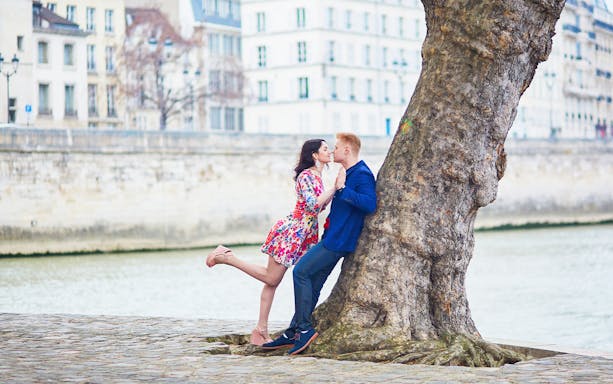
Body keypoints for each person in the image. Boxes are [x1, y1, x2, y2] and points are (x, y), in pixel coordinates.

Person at [205, 139, 343, 345]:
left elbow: (318, 207)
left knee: (273, 282)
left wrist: (333, 190)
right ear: (315, 155)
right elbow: (313, 206)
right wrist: (335, 188)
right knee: (271, 279)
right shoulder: (306, 176)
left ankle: (261, 329)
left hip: (304, 235)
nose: (330, 151)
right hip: (292, 232)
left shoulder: (317, 176)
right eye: (325, 149)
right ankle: (227, 257)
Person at [262, 132, 377, 355]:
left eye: (336, 147)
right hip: (331, 236)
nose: (333, 151)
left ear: (347, 150)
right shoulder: (348, 172)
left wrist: (342, 188)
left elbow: (370, 204)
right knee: (313, 283)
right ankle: (293, 331)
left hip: (339, 240)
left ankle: (304, 329)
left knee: (301, 272)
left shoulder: (361, 173)